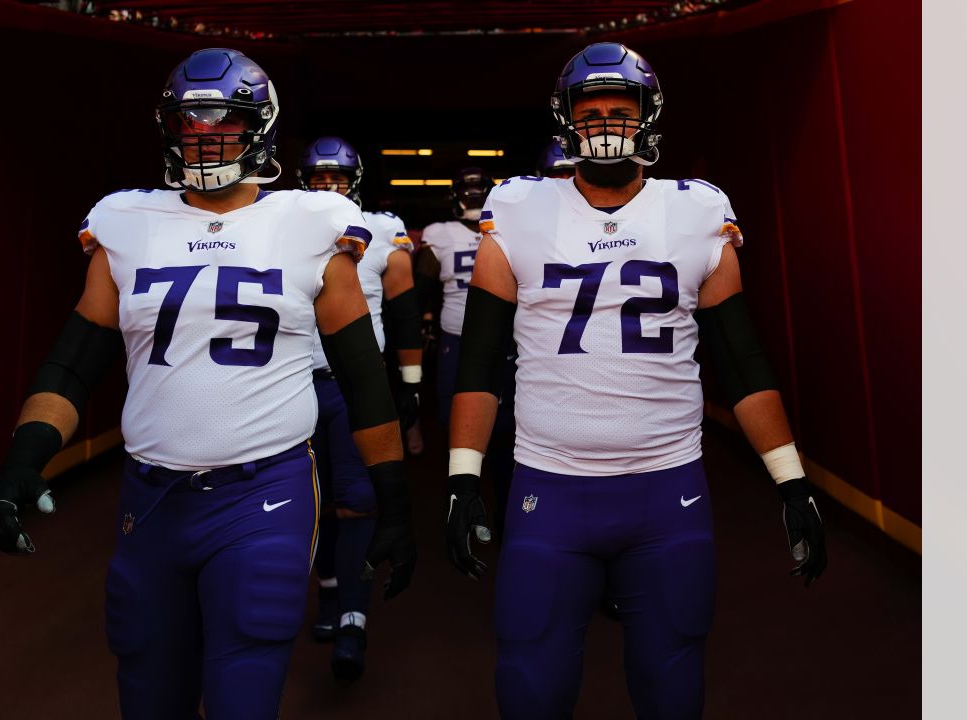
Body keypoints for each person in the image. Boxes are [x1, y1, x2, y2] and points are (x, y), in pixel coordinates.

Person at [0, 48, 416, 720]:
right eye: (190, 125)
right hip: (151, 497)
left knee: (245, 680)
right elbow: (74, 362)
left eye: (224, 124)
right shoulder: (127, 221)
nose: (204, 139)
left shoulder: (311, 223)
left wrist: (392, 496)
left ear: (260, 129)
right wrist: (22, 459)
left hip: (262, 496)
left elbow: (362, 378)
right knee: (148, 686)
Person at [444, 41, 829, 719]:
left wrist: (791, 481)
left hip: (667, 489)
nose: (603, 124)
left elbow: (740, 361)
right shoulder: (520, 207)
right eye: (588, 111)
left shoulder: (697, 210)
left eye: (619, 109)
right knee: (530, 682)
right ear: (565, 121)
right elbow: (478, 360)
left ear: (649, 116)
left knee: (672, 681)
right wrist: (462, 476)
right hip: (549, 486)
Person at [294, 135, 424, 682]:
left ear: (356, 181)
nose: (329, 188)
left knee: (355, 501)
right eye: (320, 179)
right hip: (294, 385)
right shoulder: (277, 228)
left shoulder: (380, 232)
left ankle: (352, 615)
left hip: (353, 385)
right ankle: (328, 597)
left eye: (338, 179)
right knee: (308, 504)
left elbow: (403, 312)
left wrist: (410, 387)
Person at [414, 168, 518, 536]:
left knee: (507, 431)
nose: (473, 202)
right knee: (455, 426)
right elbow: (421, 288)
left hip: (504, 341)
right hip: (456, 339)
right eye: (468, 195)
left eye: (479, 195)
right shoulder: (440, 235)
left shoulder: (511, 230)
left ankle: (506, 514)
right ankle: (459, 508)